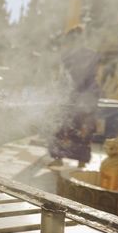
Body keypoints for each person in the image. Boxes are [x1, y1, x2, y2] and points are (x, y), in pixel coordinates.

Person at [48, 26, 100, 168]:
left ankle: (81, 160)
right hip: (68, 96)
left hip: (86, 96)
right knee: (62, 127)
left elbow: (92, 77)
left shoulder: (92, 55)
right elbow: (62, 77)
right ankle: (58, 157)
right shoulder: (65, 55)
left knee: (83, 128)